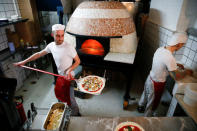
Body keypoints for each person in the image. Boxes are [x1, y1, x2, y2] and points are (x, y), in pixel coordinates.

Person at [14, 24, 81, 116]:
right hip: (60, 76)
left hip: (69, 77)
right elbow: (38, 54)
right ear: (52, 35)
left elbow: (78, 61)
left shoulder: (69, 47)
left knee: (71, 99)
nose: (61, 38)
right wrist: (24, 62)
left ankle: (76, 114)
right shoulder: (51, 46)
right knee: (60, 96)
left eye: (62, 35)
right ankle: (64, 112)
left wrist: (69, 70)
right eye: (58, 36)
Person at [137, 32, 193, 116]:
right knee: (153, 103)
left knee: (146, 93)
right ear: (178, 44)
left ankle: (140, 106)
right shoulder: (170, 57)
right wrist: (186, 72)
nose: (182, 47)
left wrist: (176, 64)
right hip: (157, 83)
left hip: (150, 77)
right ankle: (147, 118)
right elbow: (177, 76)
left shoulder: (161, 49)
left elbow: (163, 61)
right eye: (182, 45)